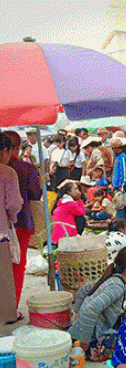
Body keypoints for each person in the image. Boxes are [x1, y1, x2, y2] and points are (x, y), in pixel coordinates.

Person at [69, 245, 126, 362]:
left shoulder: (111, 278)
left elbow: (83, 291)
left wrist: (76, 316)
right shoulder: (117, 287)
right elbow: (90, 310)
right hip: (88, 343)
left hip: (77, 334)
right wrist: (85, 342)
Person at [5, 131, 42, 316]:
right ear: (16, 147)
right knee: (17, 266)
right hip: (19, 222)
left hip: (11, 224)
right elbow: (36, 194)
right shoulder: (22, 169)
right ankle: (10, 309)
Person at [0, 133, 24, 324]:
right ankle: (8, 314)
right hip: (1, 231)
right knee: (4, 274)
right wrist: (12, 219)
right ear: (5, 151)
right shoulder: (7, 173)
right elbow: (14, 204)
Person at [51, 181, 86, 246]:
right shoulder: (70, 203)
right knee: (82, 219)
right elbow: (82, 212)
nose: (77, 191)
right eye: (75, 189)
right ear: (69, 192)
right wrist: (79, 199)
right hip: (65, 234)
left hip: (56, 236)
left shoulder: (61, 201)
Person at [110, 137, 126, 220]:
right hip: (116, 185)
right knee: (118, 205)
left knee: (120, 205)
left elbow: (124, 171)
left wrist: (122, 184)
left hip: (120, 185)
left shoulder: (122, 157)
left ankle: (121, 221)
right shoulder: (117, 157)